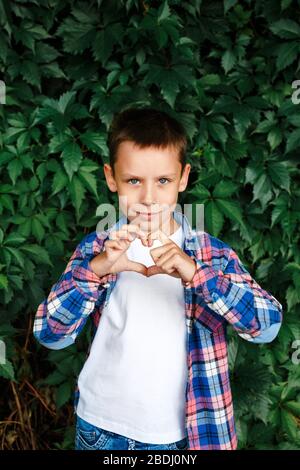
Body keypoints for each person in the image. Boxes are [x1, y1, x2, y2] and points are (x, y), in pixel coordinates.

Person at [33, 107, 283, 451]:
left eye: (163, 181)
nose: (149, 198)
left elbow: (267, 325)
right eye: (133, 180)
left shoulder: (212, 255)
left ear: (183, 178)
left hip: (186, 435)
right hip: (103, 429)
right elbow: (50, 334)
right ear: (111, 178)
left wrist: (198, 276)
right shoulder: (98, 249)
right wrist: (98, 269)